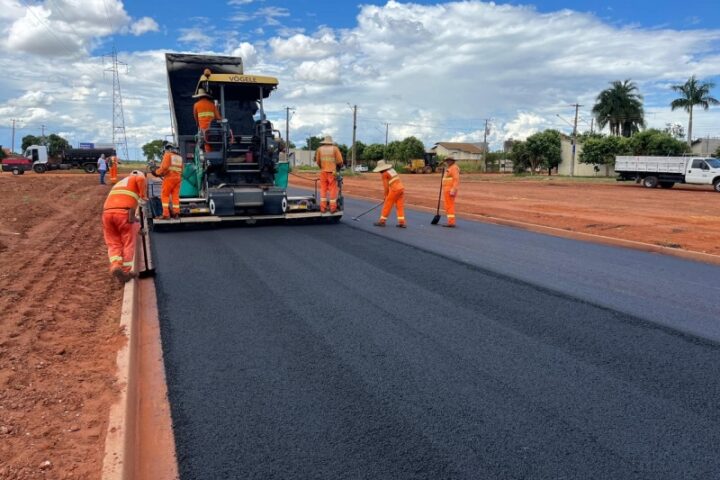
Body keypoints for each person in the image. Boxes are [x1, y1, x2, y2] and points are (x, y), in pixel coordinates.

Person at [102, 170, 147, 283]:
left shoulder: (121, 183)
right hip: (123, 213)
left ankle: (116, 266)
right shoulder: (137, 178)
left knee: (113, 243)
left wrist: (137, 226)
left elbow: (131, 216)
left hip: (107, 214)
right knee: (128, 242)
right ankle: (126, 272)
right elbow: (140, 178)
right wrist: (143, 196)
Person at [314, 135, 344, 213]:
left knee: (323, 189)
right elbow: (340, 161)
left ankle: (323, 208)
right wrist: (338, 168)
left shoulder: (319, 149)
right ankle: (332, 208)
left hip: (323, 172)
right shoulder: (335, 149)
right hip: (332, 172)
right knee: (332, 190)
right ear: (331, 142)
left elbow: (318, 161)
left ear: (324, 142)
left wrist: (322, 167)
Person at [372, 159, 406, 228]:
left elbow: (386, 187)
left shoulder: (384, 174)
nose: (379, 172)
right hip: (401, 189)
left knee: (387, 204)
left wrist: (386, 196)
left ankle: (382, 221)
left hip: (395, 190)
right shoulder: (392, 170)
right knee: (399, 206)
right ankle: (402, 222)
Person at [154, 143, 184, 219]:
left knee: (165, 195)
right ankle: (176, 213)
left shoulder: (168, 155)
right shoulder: (179, 157)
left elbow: (164, 167)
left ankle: (166, 214)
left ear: (168, 149)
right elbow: (182, 169)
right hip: (178, 178)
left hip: (169, 178)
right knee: (175, 196)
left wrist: (157, 172)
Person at [192, 87, 221, 152]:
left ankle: (208, 156)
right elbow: (218, 117)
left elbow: (195, 117)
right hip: (213, 130)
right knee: (214, 142)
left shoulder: (196, 105)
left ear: (199, 97)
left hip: (203, 130)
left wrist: (197, 123)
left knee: (206, 143)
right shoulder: (212, 105)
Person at [441, 157, 460, 227]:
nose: (447, 162)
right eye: (447, 161)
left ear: (452, 161)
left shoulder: (454, 168)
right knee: (448, 205)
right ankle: (450, 221)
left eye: (449, 161)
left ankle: (451, 222)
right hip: (447, 190)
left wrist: (453, 189)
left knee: (449, 206)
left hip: (450, 190)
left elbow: (456, 179)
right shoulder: (449, 168)